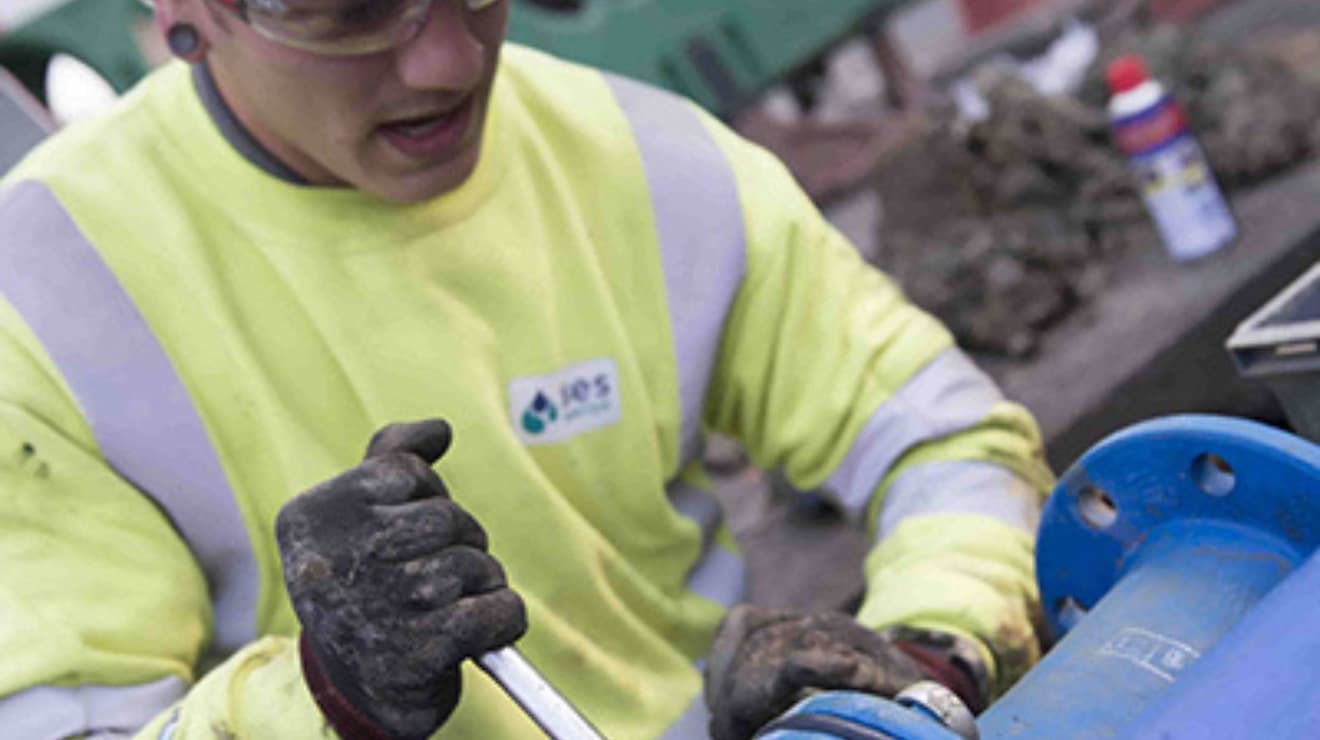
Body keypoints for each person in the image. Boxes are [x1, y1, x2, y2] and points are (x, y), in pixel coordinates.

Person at [0, 0, 1053, 737]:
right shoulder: (42, 300)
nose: (451, 60)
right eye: (354, 9)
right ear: (185, 13)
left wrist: (920, 663)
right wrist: (328, 696)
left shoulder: (640, 157)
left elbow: (949, 439)